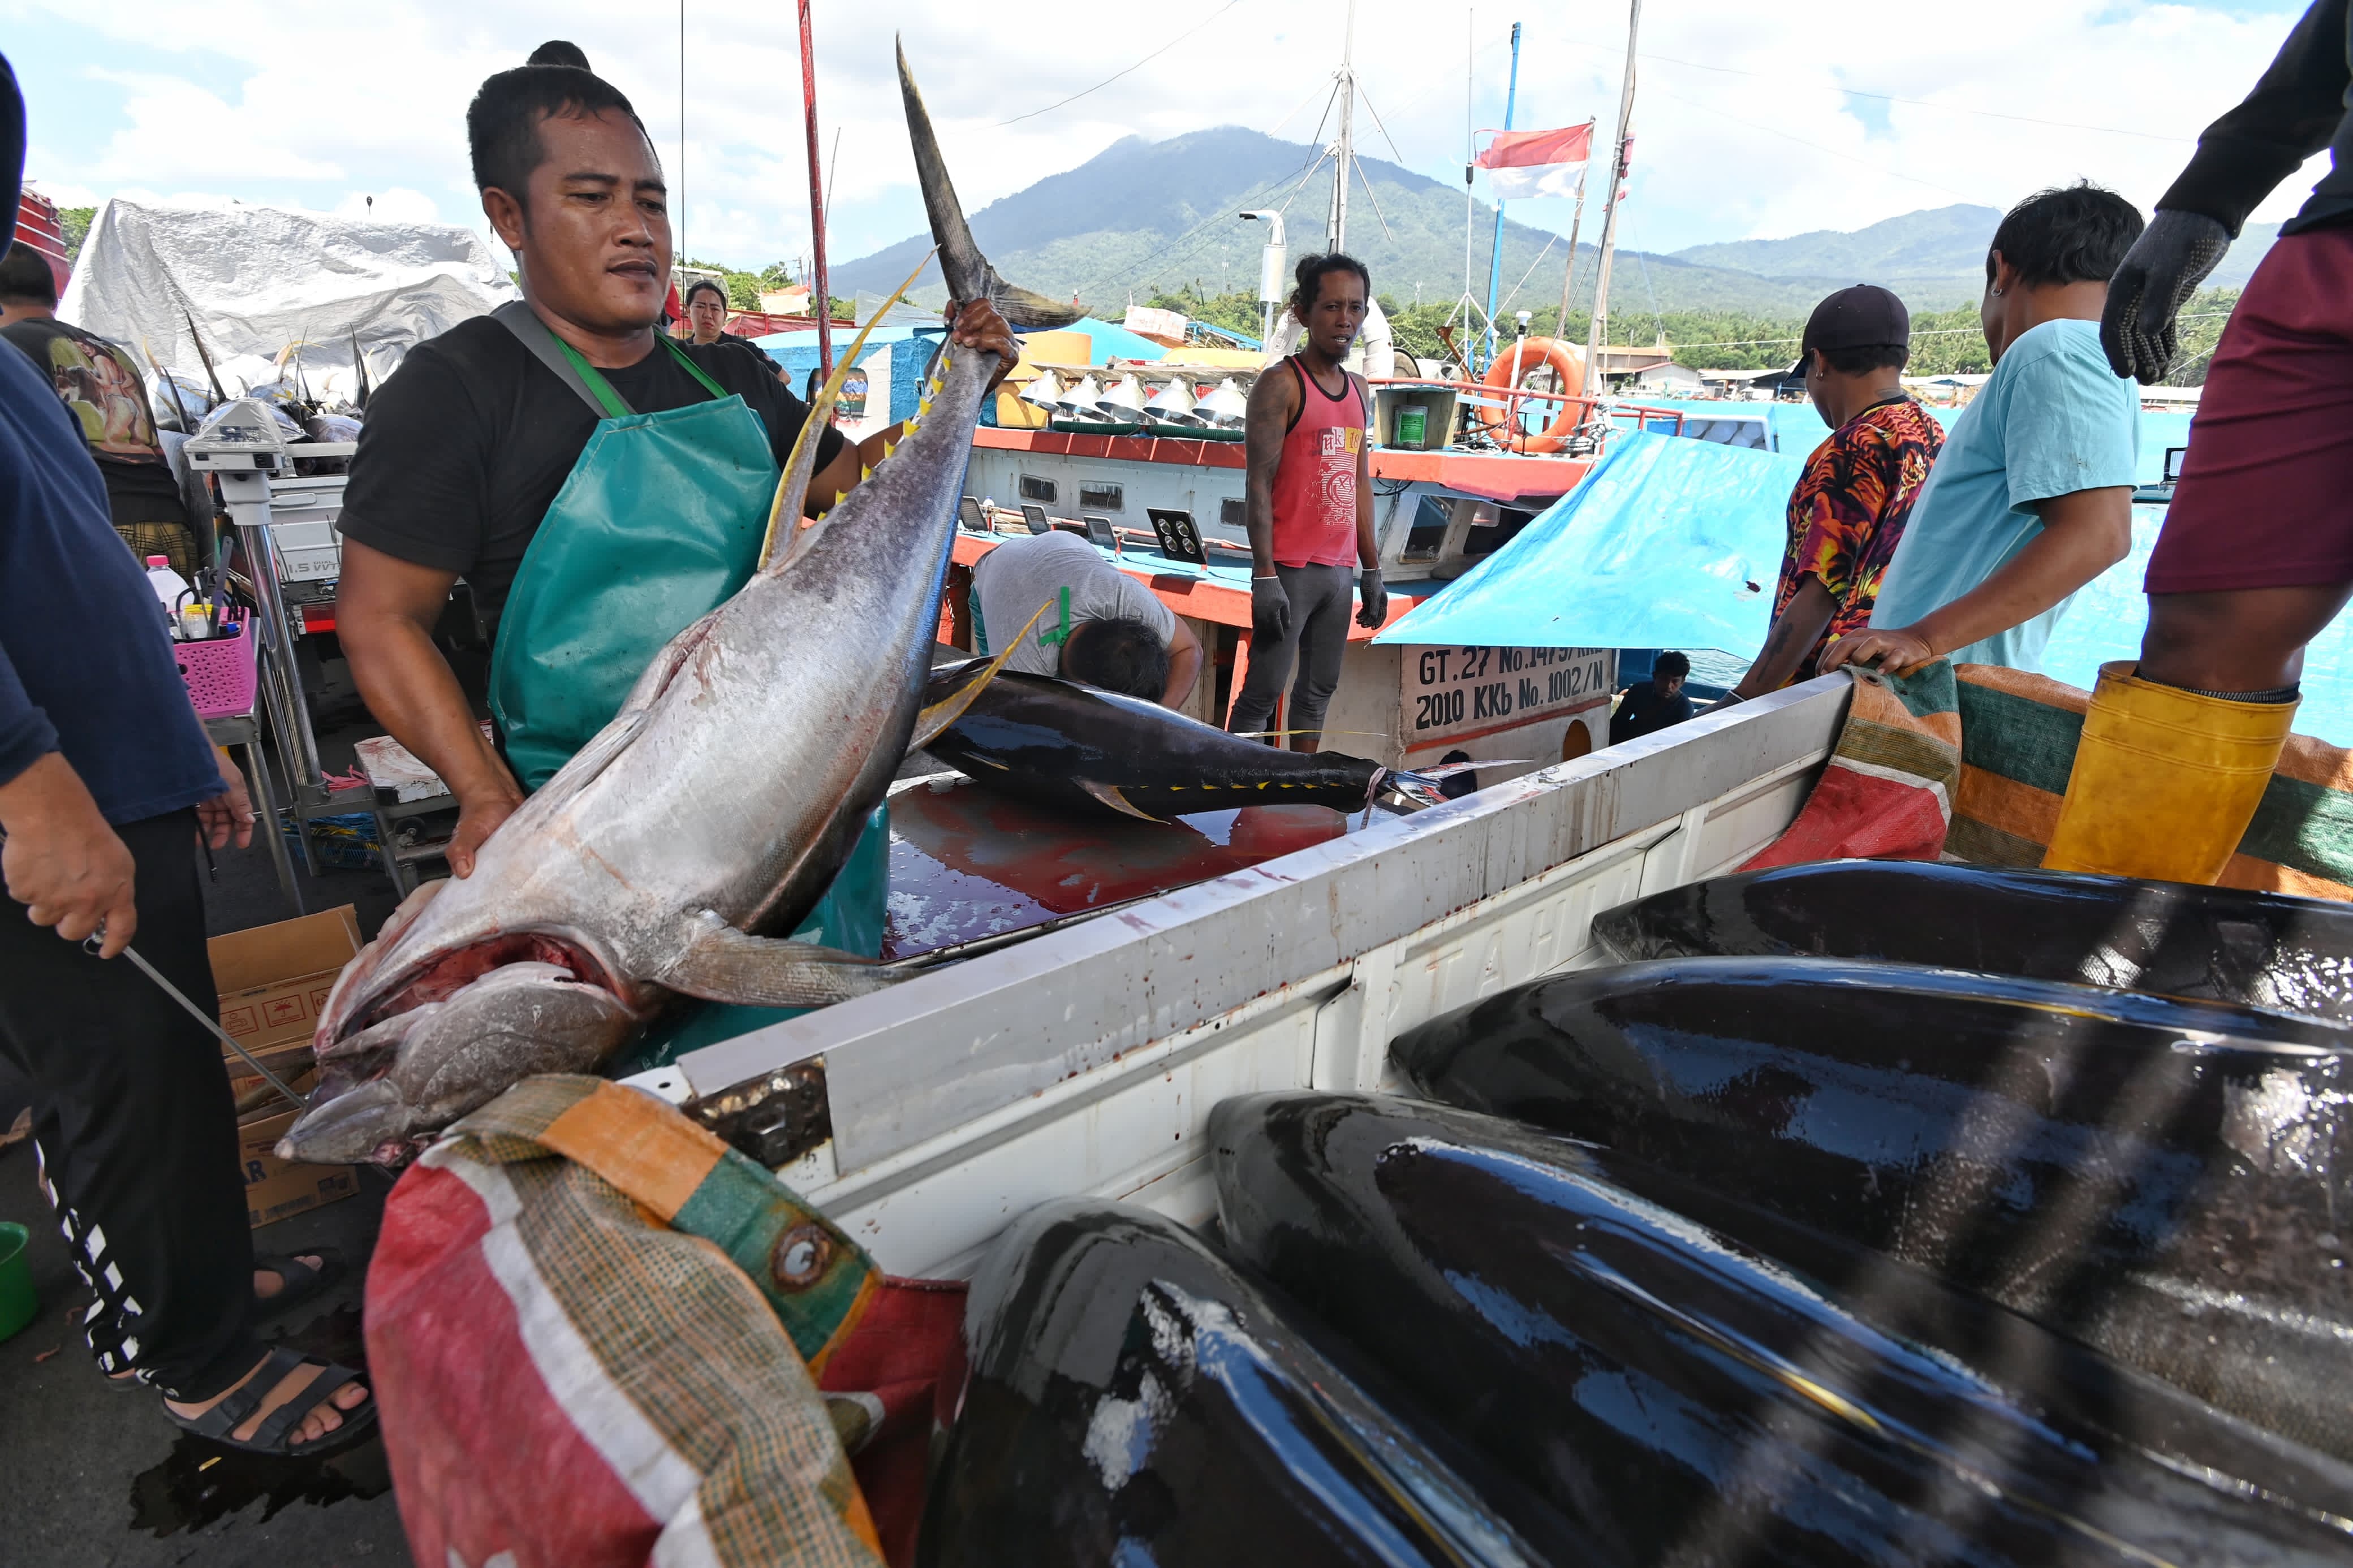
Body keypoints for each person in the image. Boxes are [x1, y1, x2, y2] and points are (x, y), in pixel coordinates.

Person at [334, 54, 1016, 875]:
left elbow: (855, 488)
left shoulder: (732, 376)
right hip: (598, 829)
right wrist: (482, 792)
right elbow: (380, 618)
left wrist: (964, 384)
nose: (636, 228)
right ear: (508, 216)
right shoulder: (456, 389)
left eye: (651, 202)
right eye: (592, 198)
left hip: (805, 801)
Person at [0, 51, 372, 1457]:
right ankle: (182, 1349)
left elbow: (88, 572)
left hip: (124, 778)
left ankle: (209, 1277)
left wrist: (188, 754)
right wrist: (28, 787)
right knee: (107, 1083)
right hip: (41, 802)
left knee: (172, 1061)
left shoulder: (20, 376)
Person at [2045, 0, 2353, 884]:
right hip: (2329, 254)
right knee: (2202, 630)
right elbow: (2318, 58)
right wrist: (2207, 200)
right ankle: (2096, 959)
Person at [1823, 185, 2142, 679]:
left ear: (2002, 270)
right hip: (1947, 680)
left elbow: (2099, 533)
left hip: (1945, 690)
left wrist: (1922, 637)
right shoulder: (2092, 359)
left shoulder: (2056, 347)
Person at [1729, 286, 1944, 698]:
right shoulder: (1930, 433)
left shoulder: (1854, 447)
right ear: (1902, 360)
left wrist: (1741, 698)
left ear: (1820, 362)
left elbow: (1823, 589)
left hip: (1830, 686)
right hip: (1897, 676)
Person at [1229, 252, 1388, 751]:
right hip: (1290, 571)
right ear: (1303, 312)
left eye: (1356, 308)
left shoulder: (1360, 390)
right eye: (1332, 307)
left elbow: (1359, 483)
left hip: (1340, 574)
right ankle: (1232, 793)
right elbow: (1258, 484)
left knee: (1318, 692)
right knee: (1261, 693)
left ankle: (1293, 792)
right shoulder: (1281, 384)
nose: (1346, 320)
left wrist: (1372, 569)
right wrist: (1264, 576)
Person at [0, 241, 204, 579]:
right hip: (172, 528)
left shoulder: (9, 350)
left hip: (94, 532)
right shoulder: (109, 350)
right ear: (53, 296)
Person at [971, 528, 1202, 705]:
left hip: (1049, 552)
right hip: (992, 570)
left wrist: (1159, 720)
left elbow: (1189, 650)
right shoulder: (1021, 671)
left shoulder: (1121, 595)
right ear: (1083, 686)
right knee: (989, 688)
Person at [1610, 651, 1695, 745]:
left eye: (1675, 681)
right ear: (1655, 676)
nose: (1668, 686)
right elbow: (1617, 723)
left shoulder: (1684, 708)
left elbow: (1675, 743)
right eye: (1664, 679)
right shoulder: (1638, 690)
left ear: (1682, 682)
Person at [682, 276, 729, 346]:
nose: (708, 315)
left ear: (725, 316)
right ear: (688, 311)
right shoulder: (678, 352)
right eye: (700, 307)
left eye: (715, 309)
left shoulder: (744, 350)